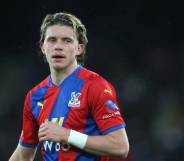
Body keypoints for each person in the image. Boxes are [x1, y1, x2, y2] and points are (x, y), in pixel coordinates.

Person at [9, 12, 129, 161]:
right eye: (52, 40)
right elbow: (23, 155)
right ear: (42, 47)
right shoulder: (34, 96)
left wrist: (67, 135)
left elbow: (120, 146)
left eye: (66, 41)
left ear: (79, 49)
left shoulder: (95, 86)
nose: (58, 47)